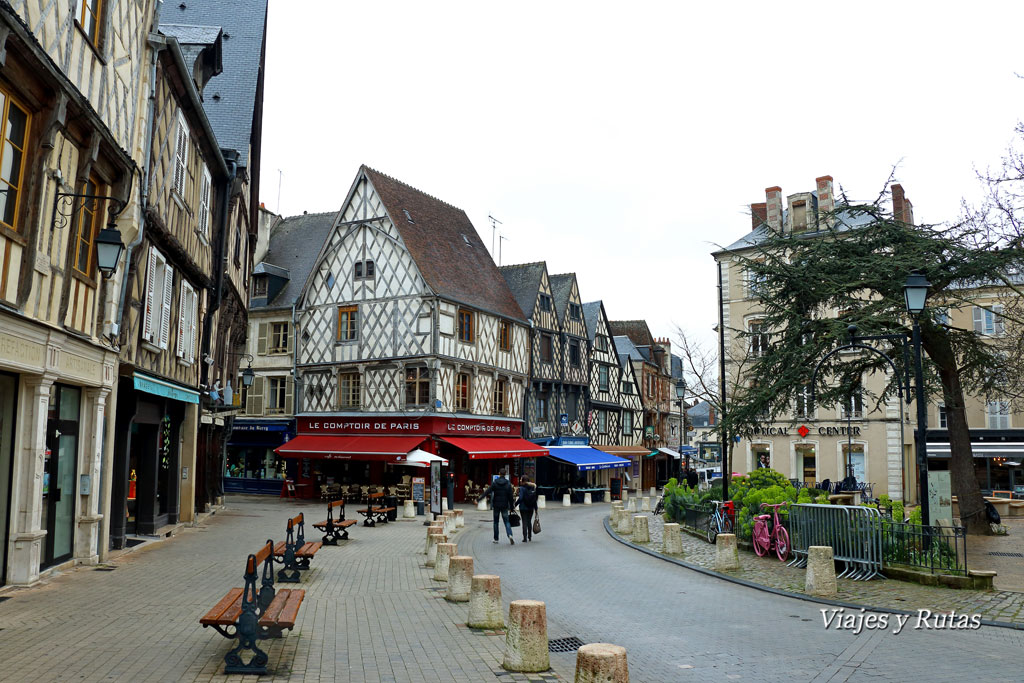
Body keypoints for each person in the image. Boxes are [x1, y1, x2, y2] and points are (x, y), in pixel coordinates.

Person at [479, 468, 515, 545]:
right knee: (506, 521)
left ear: (499, 474)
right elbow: (510, 497)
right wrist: (512, 507)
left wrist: (479, 499)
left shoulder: (495, 483)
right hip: (505, 505)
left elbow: (487, 491)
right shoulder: (508, 483)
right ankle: (510, 534)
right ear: (505, 474)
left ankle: (496, 538)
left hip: (496, 505)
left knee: (496, 522)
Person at [516, 475, 539, 542]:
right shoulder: (533, 488)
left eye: (520, 479)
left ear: (523, 481)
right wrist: (536, 509)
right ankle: (530, 536)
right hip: (531, 507)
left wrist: (515, 504)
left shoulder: (522, 488)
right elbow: (534, 499)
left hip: (523, 507)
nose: (520, 481)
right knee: (529, 521)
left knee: (524, 522)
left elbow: (520, 498)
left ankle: (525, 538)